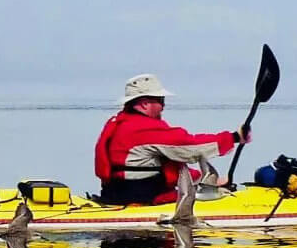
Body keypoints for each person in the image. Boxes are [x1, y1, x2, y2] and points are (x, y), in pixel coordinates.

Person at [91, 74, 246, 206]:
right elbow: (190, 146)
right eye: (160, 100)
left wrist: (206, 180)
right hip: (143, 198)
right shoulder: (142, 129)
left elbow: (164, 166)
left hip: (114, 194)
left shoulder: (121, 123)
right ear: (144, 103)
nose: (163, 106)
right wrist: (233, 137)